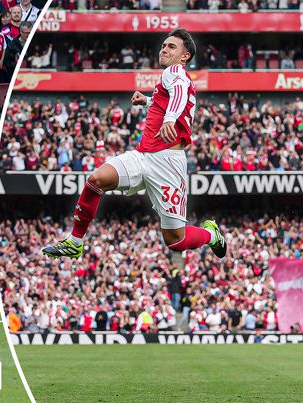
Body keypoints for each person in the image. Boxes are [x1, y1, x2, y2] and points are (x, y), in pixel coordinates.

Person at [42, 29, 227, 261]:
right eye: (163, 45)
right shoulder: (174, 79)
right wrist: (148, 101)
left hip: (168, 164)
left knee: (176, 241)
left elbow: (178, 94)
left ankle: (211, 235)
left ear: (185, 56)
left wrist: (169, 119)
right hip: (143, 155)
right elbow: (174, 101)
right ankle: (75, 242)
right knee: (96, 180)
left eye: (172, 46)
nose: (164, 49)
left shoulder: (175, 72)